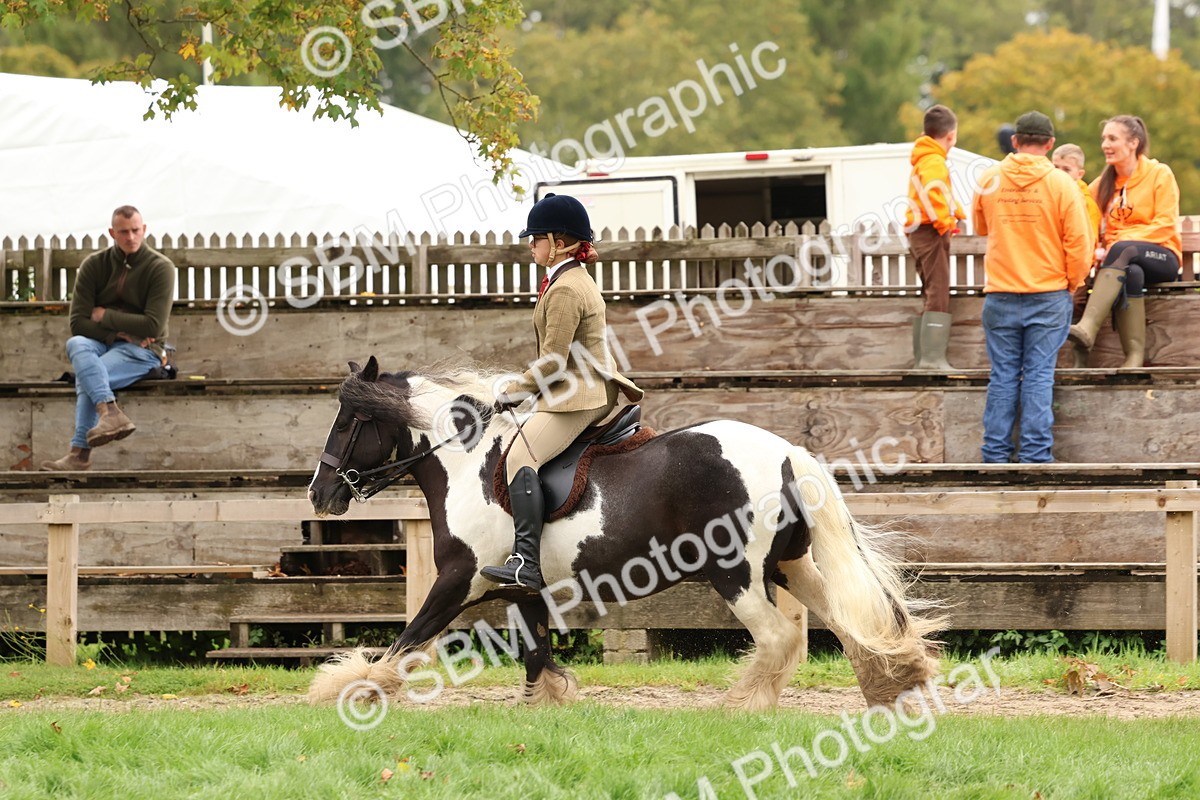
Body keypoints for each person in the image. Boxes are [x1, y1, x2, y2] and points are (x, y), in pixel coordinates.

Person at [480, 193, 643, 592]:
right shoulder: (565, 281)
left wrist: (513, 389)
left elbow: (553, 362)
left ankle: (527, 563)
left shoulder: (567, 288)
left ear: (558, 242)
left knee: (520, 456)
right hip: (574, 387)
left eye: (536, 238)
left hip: (581, 393)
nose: (530, 245)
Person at [971, 111, 1092, 463]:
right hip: (1049, 291)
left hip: (1001, 291)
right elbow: (1080, 245)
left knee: (1003, 375)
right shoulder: (1062, 184)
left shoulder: (989, 178)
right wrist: (1071, 282)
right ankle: (1035, 456)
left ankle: (994, 454)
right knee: (1039, 374)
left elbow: (980, 226)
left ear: (1014, 140)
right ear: (1050, 144)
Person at [40, 206, 175, 471]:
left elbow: (154, 325)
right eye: (123, 232)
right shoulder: (94, 265)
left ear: (144, 229)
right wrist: (118, 333)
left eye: (136, 230)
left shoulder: (161, 268)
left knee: (89, 375)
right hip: (105, 342)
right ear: (112, 233)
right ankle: (110, 412)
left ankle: (80, 454)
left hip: (144, 350)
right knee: (76, 343)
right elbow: (78, 323)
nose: (131, 237)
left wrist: (104, 315)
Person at [1068, 115, 1182, 368]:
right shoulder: (1102, 185)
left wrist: (1121, 238)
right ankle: (1133, 357)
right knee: (1132, 272)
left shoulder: (1159, 174)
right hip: (1121, 263)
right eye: (1104, 139)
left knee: (1123, 248)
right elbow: (1087, 221)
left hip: (1162, 257)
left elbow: (1164, 225)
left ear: (1133, 142)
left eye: (1112, 138)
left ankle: (1088, 327)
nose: (1105, 145)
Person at [905, 104, 967, 370]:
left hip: (919, 230)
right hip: (929, 230)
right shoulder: (933, 160)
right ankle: (931, 360)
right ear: (951, 136)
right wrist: (945, 224)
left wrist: (958, 212)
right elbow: (933, 193)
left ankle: (925, 358)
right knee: (939, 291)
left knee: (931, 291)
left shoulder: (925, 157)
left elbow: (942, 193)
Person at [1052, 143, 1105, 367]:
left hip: (1078, 270)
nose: (1060, 174)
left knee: (1072, 306)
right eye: (1055, 168)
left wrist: (1077, 272)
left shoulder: (1085, 202)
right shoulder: (1051, 195)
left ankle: (1077, 360)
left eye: (1066, 169)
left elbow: (1088, 239)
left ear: (1079, 174)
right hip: (1053, 266)